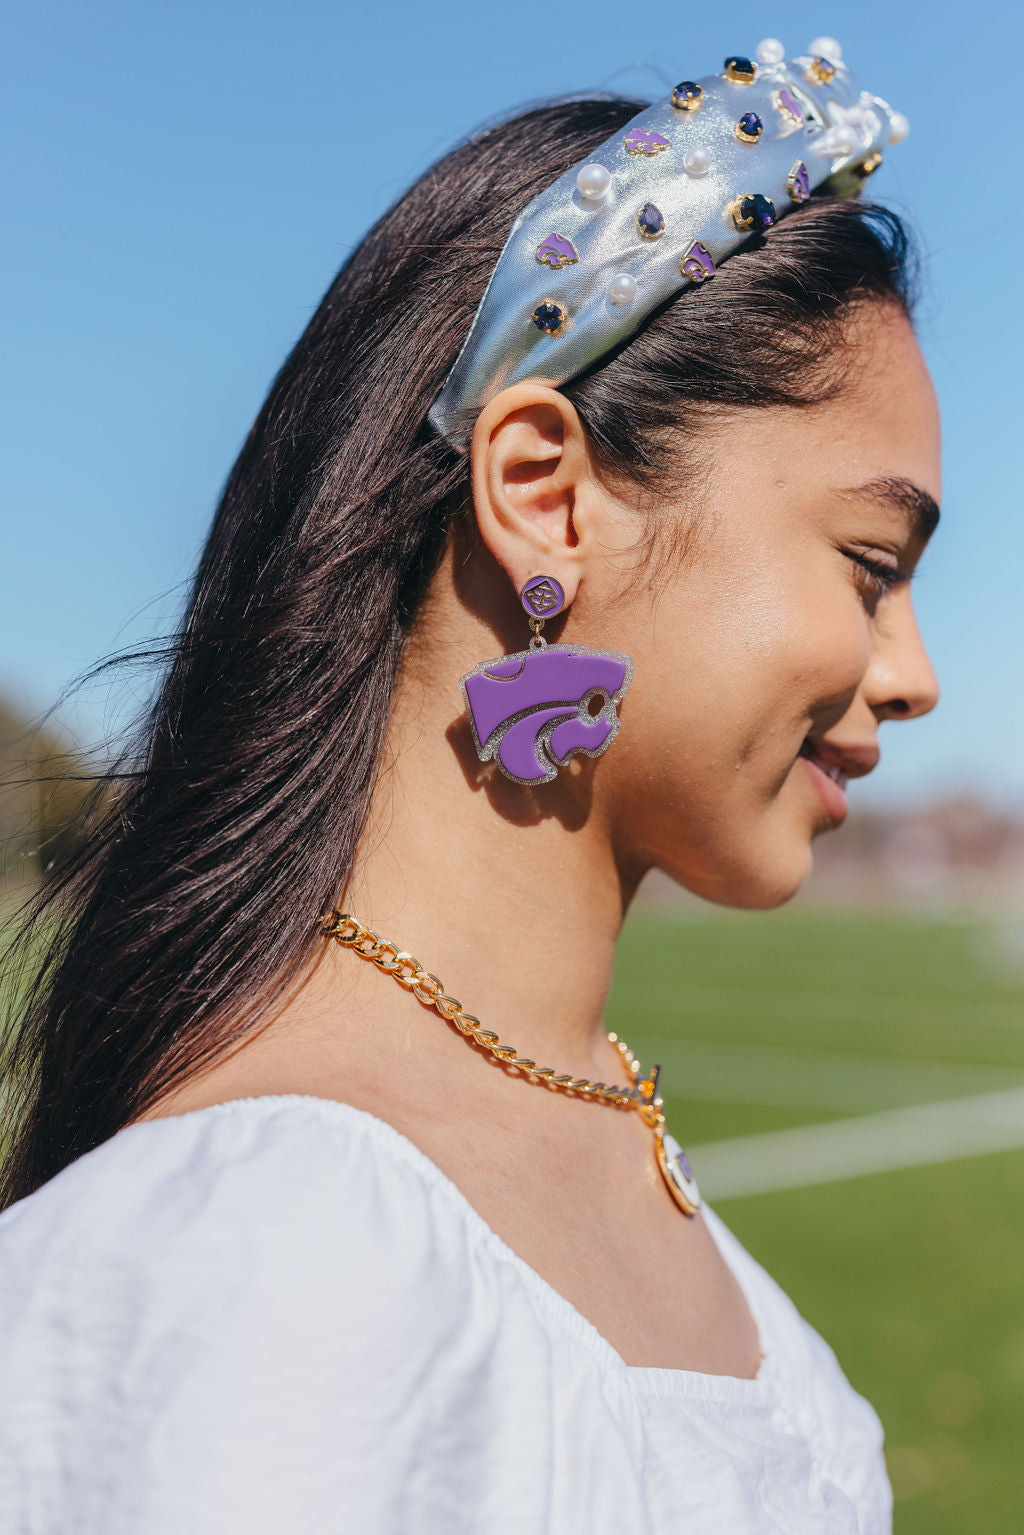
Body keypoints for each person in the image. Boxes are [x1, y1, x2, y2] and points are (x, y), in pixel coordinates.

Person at [0, 39, 939, 1535]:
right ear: (545, 494)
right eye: (871, 569)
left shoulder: (612, 1169)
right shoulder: (253, 1257)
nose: (913, 673)